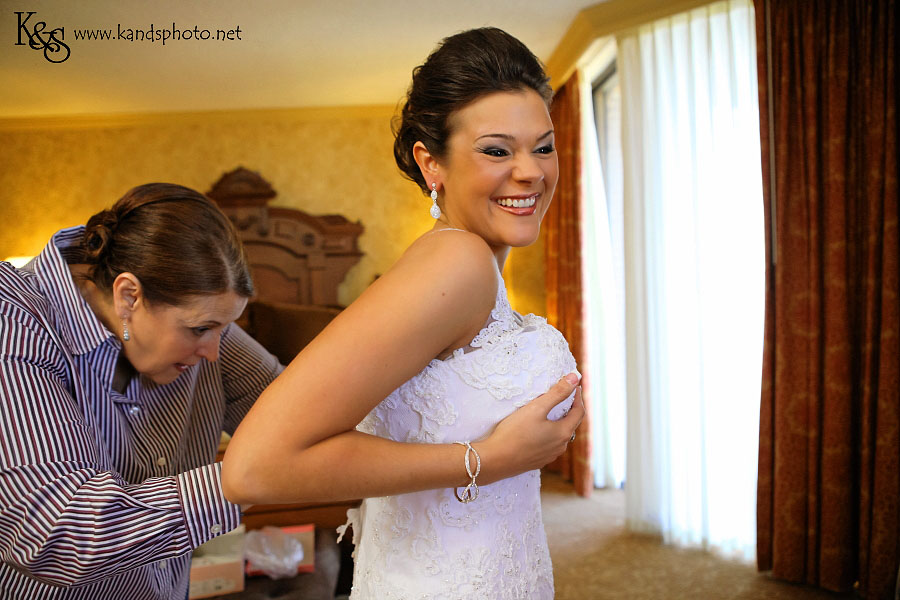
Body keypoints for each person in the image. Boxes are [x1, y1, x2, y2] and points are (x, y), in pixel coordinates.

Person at [222, 27, 582, 598]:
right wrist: (487, 460)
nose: (531, 171)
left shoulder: (472, 267)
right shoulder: (457, 263)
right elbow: (254, 467)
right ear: (431, 163)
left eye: (543, 146)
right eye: (496, 150)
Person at [0, 183, 282, 599]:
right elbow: (58, 534)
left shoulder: (193, 312)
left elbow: (298, 414)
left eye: (224, 329)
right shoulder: (13, 328)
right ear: (129, 296)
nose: (213, 352)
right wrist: (242, 482)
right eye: (201, 330)